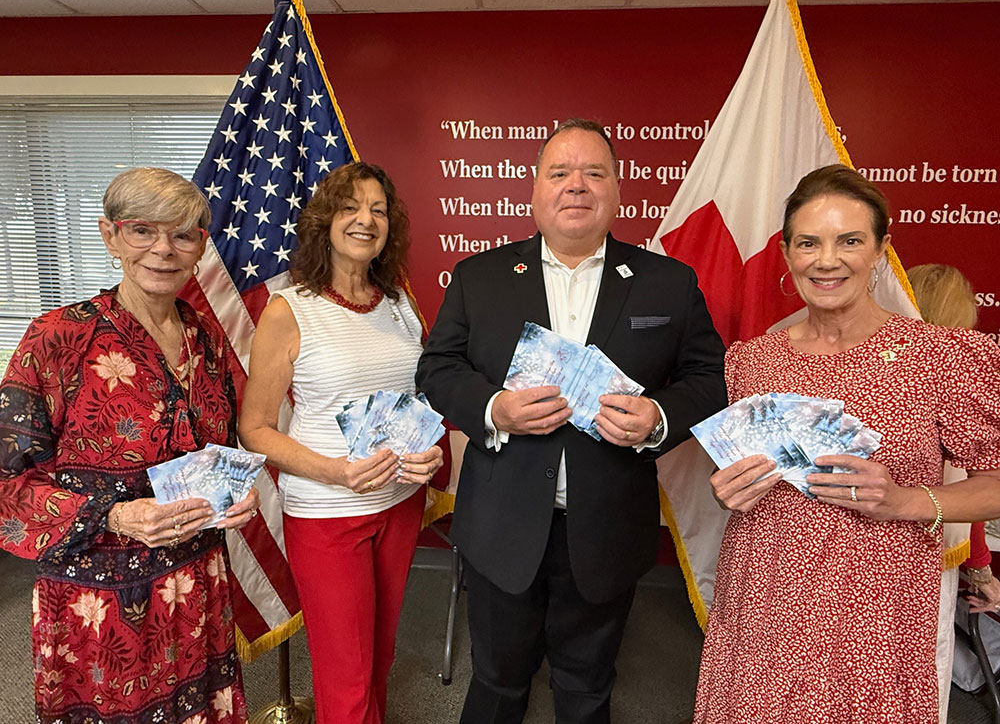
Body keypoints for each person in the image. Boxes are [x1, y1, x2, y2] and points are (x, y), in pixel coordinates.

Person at [416, 118, 727, 724]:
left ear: (617, 192)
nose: (576, 186)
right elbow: (437, 370)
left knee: (586, 688)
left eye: (594, 173)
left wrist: (660, 416)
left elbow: (709, 379)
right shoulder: (480, 278)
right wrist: (492, 409)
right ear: (534, 191)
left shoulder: (668, 282)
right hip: (501, 524)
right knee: (498, 682)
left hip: (607, 527)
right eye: (559, 173)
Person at [695, 165, 1000, 724]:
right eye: (808, 243)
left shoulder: (940, 358)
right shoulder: (752, 361)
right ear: (787, 255)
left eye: (850, 240)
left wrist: (907, 501)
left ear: (882, 249)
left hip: (876, 614)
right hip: (763, 600)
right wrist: (725, 492)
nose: (826, 259)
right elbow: (739, 475)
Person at [0, 167, 259, 724]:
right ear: (110, 235)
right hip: (99, 599)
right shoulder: (58, 338)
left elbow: (216, 448)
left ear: (200, 246)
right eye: (143, 230)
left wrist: (236, 493)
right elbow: (8, 485)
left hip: (197, 580)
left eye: (183, 234)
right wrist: (114, 516)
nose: (163, 249)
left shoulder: (205, 336)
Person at [238, 161, 443, 724]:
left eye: (378, 210)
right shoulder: (290, 310)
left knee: (378, 658)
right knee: (346, 674)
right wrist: (335, 471)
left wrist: (428, 449)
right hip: (329, 512)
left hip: (399, 505)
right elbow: (254, 427)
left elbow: (413, 401)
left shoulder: (400, 304)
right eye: (351, 207)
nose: (365, 220)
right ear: (326, 220)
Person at [907, 262, 998, 722]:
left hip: (856, 549)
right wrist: (981, 574)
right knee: (925, 659)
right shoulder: (961, 375)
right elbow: (975, 492)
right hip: (929, 547)